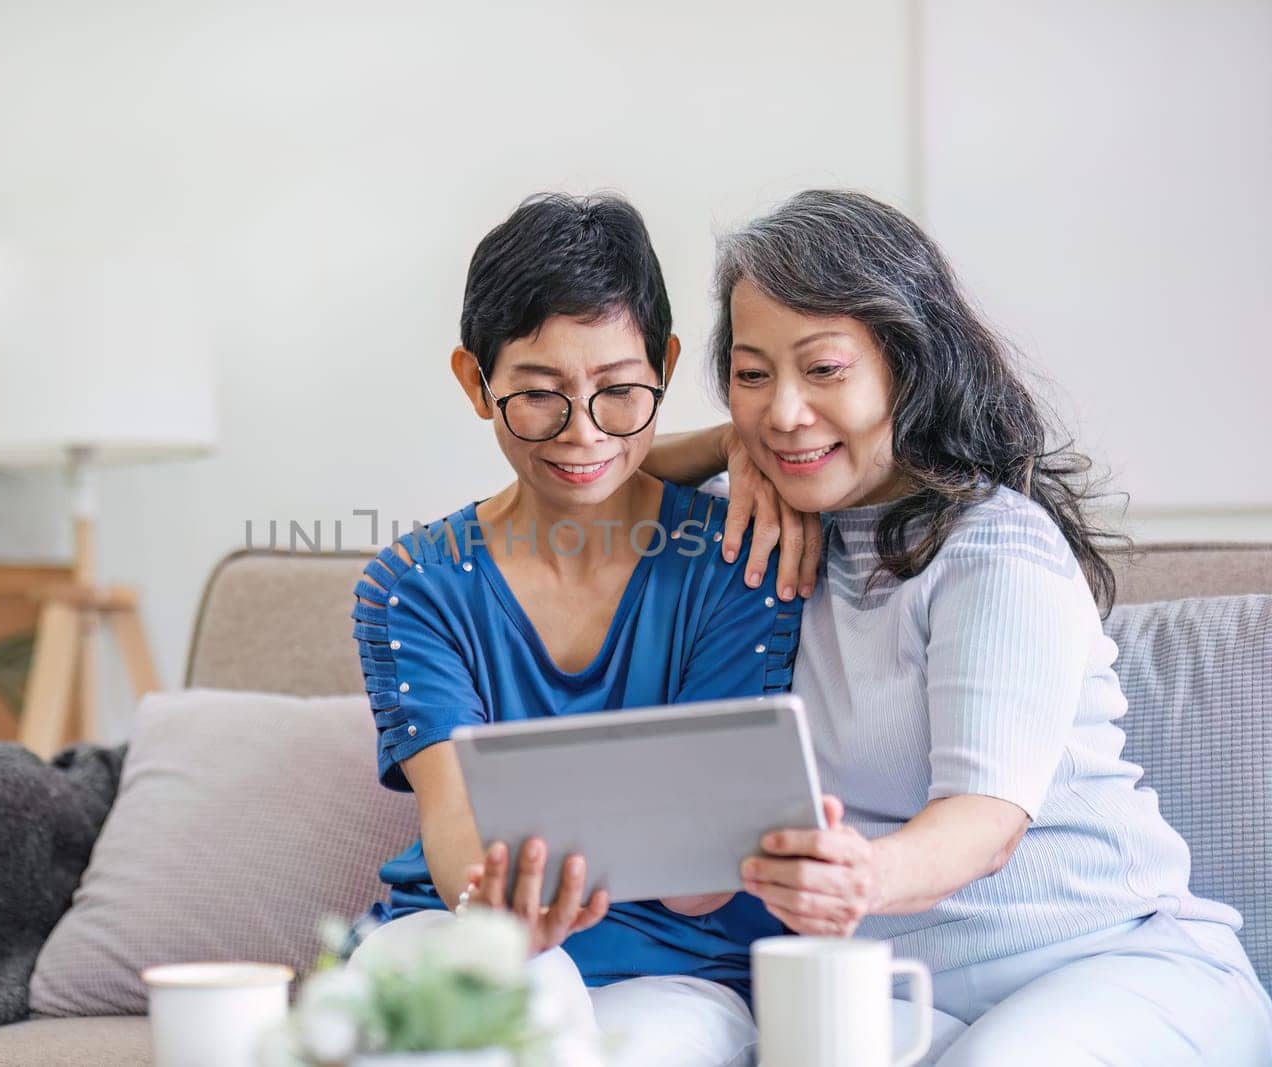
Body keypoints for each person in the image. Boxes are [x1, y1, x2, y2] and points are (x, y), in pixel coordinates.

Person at [663, 188, 1272, 1064]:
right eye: (753, 374)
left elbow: (985, 822)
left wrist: (862, 877)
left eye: (824, 369)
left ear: (907, 367)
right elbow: (574, 474)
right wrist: (725, 445)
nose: (785, 411)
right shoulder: (764, 530)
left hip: (1111, 965)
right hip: (911, 998)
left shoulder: (994, 544)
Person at [345, 193, 800, 1066]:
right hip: (463, 935)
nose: (583, 433)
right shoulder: (412, 586)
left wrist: (731, 443)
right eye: (539, 398)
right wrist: (504, 906)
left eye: (621, 391)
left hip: (680, 969)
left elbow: (703, 880)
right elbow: (453, 825)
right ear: (476, 383)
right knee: (519, 994)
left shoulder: (740, 563)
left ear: (665, 365)